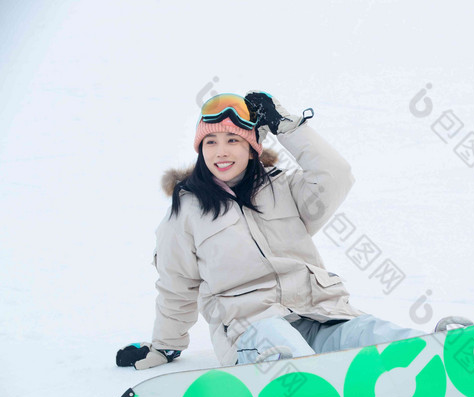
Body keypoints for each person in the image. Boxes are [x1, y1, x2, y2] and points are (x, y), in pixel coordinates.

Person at [116, 91, 425, 370]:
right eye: (211, 143)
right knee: (284, 349)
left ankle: (434, 360)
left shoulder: (286, 190)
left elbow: (336, 175)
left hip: (319, 314)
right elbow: (176, 285)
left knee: (373, 334)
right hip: (250, 328)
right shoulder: (186, 211)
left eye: (232, 140)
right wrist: (166, 345)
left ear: (253, 149)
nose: (221, 152)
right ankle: (311, 393)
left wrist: (288, 127)